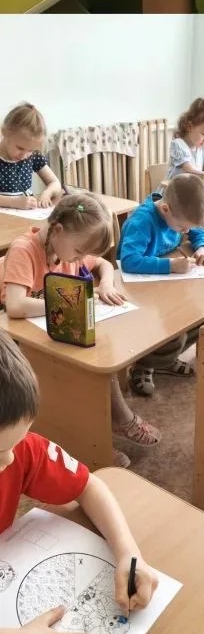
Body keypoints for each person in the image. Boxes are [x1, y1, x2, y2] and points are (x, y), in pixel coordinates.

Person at [0, 334, 159, 634]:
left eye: (14, 443)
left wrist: (128, 553)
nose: (10, 459)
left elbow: (88, 487)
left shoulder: (18, 451)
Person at [0, 195, 158, 462]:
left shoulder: (67, 249)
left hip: (51, 329)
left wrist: (105, 283)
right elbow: (15, 306)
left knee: (98, 351)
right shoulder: (24, 250)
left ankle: (101, 431)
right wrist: (71, 302)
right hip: (16, 341)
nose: (81, 258)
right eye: (79, 252)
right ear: (57, 230)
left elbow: (103, 263)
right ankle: (95, 437)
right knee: (83, 365)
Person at [118, 173, 204, 397]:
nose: (185, 232)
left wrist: (203, 246)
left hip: (164, 288)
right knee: (174, 326)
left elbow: (196, 229)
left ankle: (166, 359)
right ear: (165, 209)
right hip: (137, 292)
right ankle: (145, 365)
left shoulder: (179, 216)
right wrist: (169, 266)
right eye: (181, 228)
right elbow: (128, 260)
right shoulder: (142, 222)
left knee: (200, 318)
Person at [0, 104, 62, 210]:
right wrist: (13, 202)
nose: (24, 156)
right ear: (5, 133)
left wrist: (47, 193)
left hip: (25, 215)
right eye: (20, 148)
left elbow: (55, 183)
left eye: (30, 150)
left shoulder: (33, 156)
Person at [166, 98, 204, 181]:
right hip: (173, 189)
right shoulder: (178, 145)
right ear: (190, 127)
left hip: (192, 188)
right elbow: (190, 172)